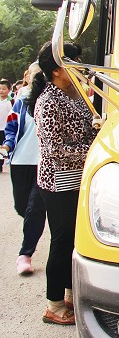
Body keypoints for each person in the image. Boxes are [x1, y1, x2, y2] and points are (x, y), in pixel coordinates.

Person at [29, 41, 98, 325]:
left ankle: (70, 295)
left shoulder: (75, 94)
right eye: (74, 60)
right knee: (61, 242)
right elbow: (55, 150)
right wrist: (94, 152)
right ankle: (54, 305)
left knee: (74, 240)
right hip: (58, 183)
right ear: (58, 70)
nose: (80, 64)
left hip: (78, 178)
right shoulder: (48, 101)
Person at [1, 62, 46, 277]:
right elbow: (11, 127)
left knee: (34, 208)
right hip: (20, 162)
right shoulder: (19, 101)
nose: (37, 76)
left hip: (43, 163)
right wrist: (7, 145)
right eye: (34, 73)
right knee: (22, 207)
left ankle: (25, 254)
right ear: (26, 76)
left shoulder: (49, 99)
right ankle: (31, 226)